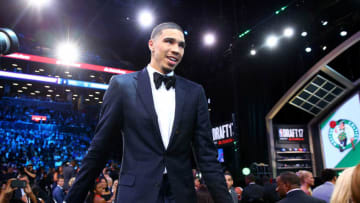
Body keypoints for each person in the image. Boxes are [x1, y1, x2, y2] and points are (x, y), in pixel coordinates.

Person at [66, 22, 232, 203]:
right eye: (169, 41)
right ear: (151, 44)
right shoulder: (122, 86)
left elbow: (207, 156)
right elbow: (99, 150)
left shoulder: (195, 92)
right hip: (136, 195)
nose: (176, 49)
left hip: (181, 195)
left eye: (181, 45)